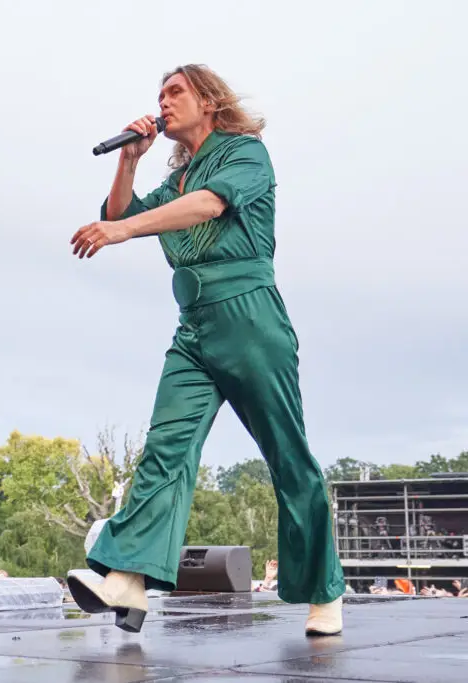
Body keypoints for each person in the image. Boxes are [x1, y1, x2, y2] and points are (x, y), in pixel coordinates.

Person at [66, 64, 345, 637]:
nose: (163, 103)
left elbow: (208, 207)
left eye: (175, 93)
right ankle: (128, 578)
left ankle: (325, 590)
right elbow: (118, 214)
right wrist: (130, 159)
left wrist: (123, 232)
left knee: (287, 456)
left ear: (210, 102)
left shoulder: (244, 154)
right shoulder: (177, 178)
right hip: (193, 328)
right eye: (159, 95)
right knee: (165, 449)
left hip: (250, 320)